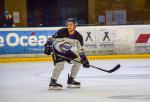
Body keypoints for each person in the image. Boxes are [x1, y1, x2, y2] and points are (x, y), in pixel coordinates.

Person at [44, 18, 89, 90]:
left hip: (67, 52)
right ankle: (52, 82)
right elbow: (51, 39)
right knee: (60, 65)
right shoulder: (61, 31)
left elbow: (80, 49)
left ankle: (71, 80)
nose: (69, 26)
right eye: (68, 25)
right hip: (57, 50)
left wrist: (84, 59)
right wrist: (47, 46)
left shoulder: (78, 37)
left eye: (71, 25)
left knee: (78, 62)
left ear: (75, 26)